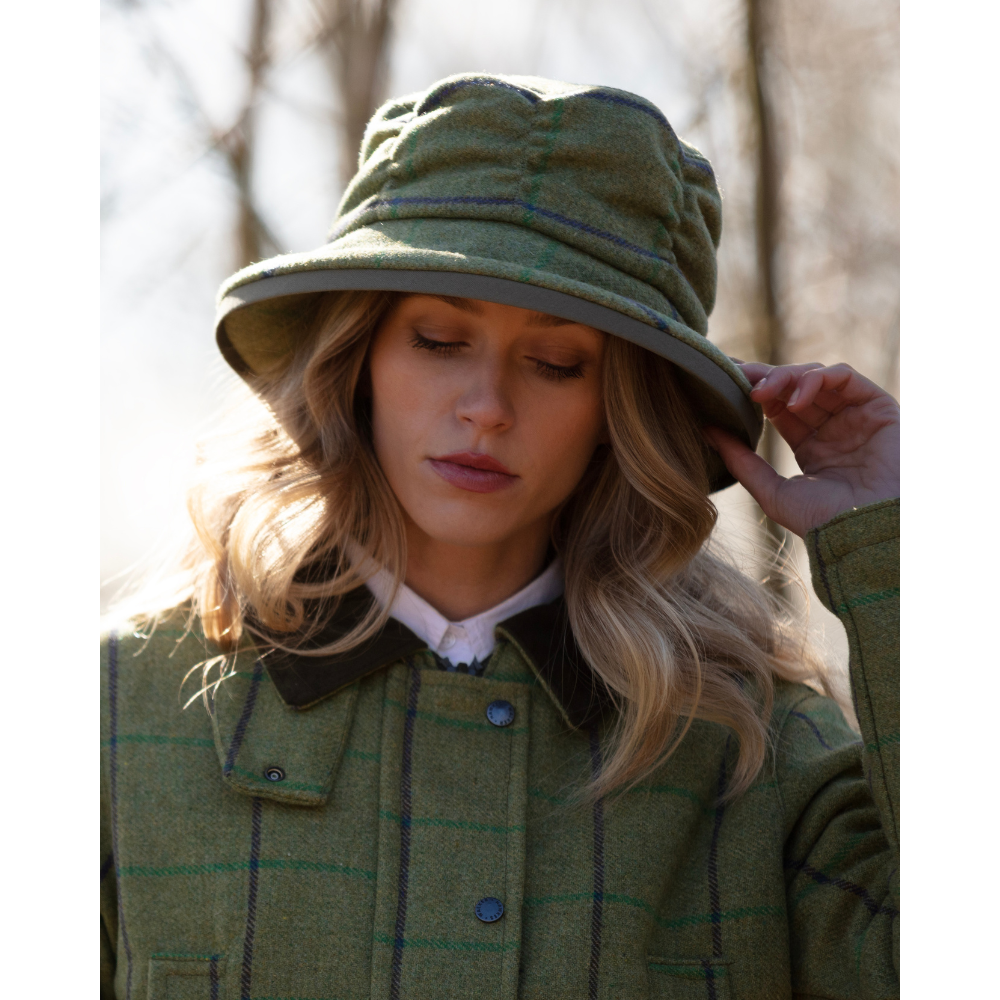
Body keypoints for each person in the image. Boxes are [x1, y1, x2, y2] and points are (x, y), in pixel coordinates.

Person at [101, 74, 899, 1000]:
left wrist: (895, 552)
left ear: (621, 408)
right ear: (357, 362)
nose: (485, 409)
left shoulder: (756, 753)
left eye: (557, 363)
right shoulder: (118, 716)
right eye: (438, 340)